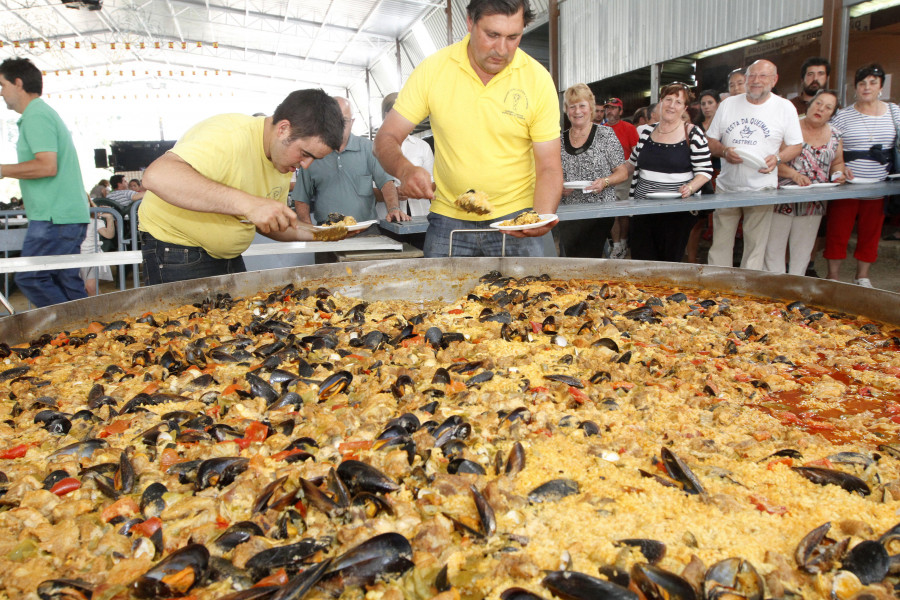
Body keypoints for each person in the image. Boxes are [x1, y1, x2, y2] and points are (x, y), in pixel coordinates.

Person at [374, 0, 563, 258]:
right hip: (448, 218)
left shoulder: (538, 80)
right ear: (470, 22)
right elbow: (386, 137)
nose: (502, 49)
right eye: (492, 35)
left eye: (513, 37)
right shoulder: (434, 70)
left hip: (516, 217)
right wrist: (405, 170)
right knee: (440, 298)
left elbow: (549, 167)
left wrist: (537, 219)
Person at [138, 88, 344, 285]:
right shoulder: (228, 135)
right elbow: (156, 176)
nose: (305, 165)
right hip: (178, 252)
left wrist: (324, 234)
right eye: (305, 154)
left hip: (228, 256)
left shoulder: (280, 158)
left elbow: (270, 224)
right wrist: (249, 204)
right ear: (283, 129)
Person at [0, 57, 89, 307]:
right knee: (65, 281)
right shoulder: (41, 113)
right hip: (61, 216)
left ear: (18, 83)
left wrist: (2, 170)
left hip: (54, 217)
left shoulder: (36, 115)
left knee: (32, 278)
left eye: (2, 85)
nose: (1, 93)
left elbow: (47, 166)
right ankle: (88, 335)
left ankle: (71, 330)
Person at [706, 60, 803, 271]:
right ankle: (716, 289)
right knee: (720, 244)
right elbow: (710, 140)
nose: (756, 81)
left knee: (755, 247)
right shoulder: (728, 104)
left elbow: (796, 144)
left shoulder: (785, 107)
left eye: (763, 76)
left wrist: (778, 158)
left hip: (762, 188)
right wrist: (723, 151)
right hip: (727, 186)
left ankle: (746, 293)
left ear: (774, 80)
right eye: (752, 76)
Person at [824, 63, 899, 288]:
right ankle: (834, 276)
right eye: (862, 83)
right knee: (838, 230)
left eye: (872, 83)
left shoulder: (895, 112)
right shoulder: (843, 116)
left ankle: (862, 276)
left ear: (881, 87)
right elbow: (831, 147)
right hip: (848, 184)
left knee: (871, 231)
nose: (867, 87)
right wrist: (839, 168)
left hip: (880, 184)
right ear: (855, 88)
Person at [626, 83, 713, 262]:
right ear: (660, 102)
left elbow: (705, 171)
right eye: (668, 100)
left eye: (678, 102)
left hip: (676, 214)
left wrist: (690, 187)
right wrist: (606, 179)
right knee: (640, 263)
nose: (672, 105)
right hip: (642, 211)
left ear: (684, 108)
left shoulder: (693, 133)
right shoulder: (646, 132)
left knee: (668, 264)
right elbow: (631, 164)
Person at [764, 89, 845, 276]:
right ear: (810, 104)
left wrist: (839, 174)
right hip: (782, 200)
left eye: (828, 107)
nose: (821, 109)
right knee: (774, 250)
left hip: (813, 203)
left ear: (832, 114)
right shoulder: (789, 128)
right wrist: (794, 175)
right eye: (818, 103)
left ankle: (794, 291)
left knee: (802, 252)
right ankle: (774, 291)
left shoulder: (836, 135)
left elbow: (838, 162)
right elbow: (772, 160)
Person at [292, 97, 407, 228]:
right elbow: (301, 198)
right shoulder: (312, 154)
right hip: (326, 232)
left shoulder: (369, 148)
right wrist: (309, 229)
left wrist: (393, 209)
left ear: (352, 122)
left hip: (366, 230)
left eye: (344, 120)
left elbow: (386, 184)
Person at [557, 84, 629, 257]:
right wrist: (559, 187)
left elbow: (622, 172)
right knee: (571, 257)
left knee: (589, 255)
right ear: (566, 110)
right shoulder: (559, 139)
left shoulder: (605, 135)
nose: (577, 111)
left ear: (590, 107)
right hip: (569, 211)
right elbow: (554, 173)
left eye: (582, 105)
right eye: (572, 106)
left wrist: (605, 182)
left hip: (599, 209)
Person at [377, 92, 434, 218]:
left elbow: (432, 183)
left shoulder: (422, 146)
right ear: (387, 115)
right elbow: (371, 191)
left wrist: (414, 190)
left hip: (420, 215)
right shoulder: (375, 148)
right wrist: (392, 193)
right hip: (387, 218)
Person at [685, 89, 722, 263]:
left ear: (718, 104)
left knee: (720, 221)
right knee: (696, 223)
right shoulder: (695, 127)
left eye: (710, 103)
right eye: (704, 103)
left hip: (720, 175)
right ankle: (692, 259)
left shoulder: (724, 125)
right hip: (700, 180)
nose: (707, 107)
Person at [603, 97, 640, 259]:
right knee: (611, 212)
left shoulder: (629, 128)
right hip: (607, 174)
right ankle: (616, 245)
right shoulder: (601, 129)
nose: (610, 111)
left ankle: (623, 242)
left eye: (613, 108)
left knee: (623, 212)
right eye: (608, 108)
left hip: (625, 173)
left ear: (621, 111)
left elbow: (637, 153)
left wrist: (627, 169)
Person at [81, 199, 116, 296]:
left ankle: (100, 310)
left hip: (93, 256)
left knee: (91, 287)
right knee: (79, 288)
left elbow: (109, 235)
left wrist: (109, 217)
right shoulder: (69, 221)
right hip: (75, 256)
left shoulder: (95, 221)